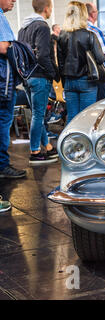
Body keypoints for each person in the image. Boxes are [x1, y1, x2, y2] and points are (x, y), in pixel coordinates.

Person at [18, 0, 59, 165]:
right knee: (38, 115)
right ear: (47, 8)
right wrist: (52, 73)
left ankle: (47, 147)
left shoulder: (23, 28)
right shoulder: (42, 26)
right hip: (40, 76)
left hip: (27, 77)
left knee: (37, 115)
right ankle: (35, 151)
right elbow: (43, 55)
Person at [57, 1, 105, 124]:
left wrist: (65, 82)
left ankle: (70, 143)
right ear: (83, 14)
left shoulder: (61, 36)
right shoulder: (90, 35)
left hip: (69, 82)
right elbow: (100, 59)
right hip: (87, 81)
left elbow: (61, 63)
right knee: (86, 118)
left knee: (72, 117)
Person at [0, 0, 25, 213]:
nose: (14, 1)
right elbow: (3, 46)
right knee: (2, 122)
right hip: (2, 83)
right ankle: (2, 164)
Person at [86, 2, 105, 101]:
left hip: (83, 74)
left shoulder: (77, 30)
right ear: (92, 13)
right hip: (97, 73)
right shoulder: (95, 31)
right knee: (99, 104)